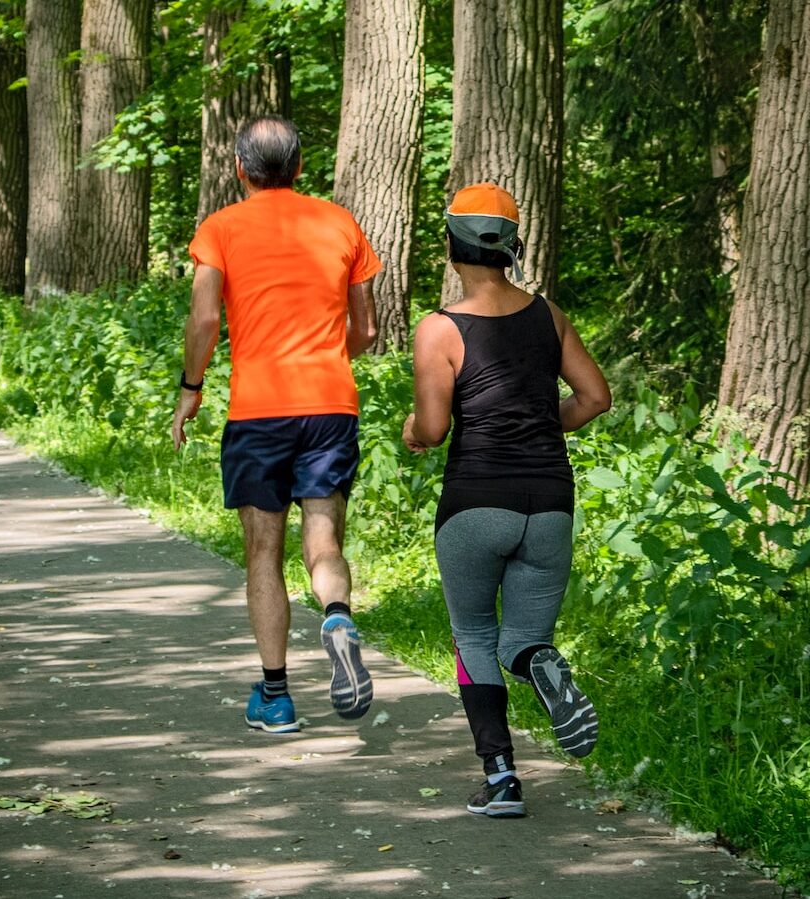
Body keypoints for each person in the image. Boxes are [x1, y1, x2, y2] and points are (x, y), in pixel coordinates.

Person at [403, 182, 612, 818]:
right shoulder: (548, 316)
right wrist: (542, 424)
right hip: (549, 502)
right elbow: (595, 398)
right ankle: (540, 661)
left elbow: (434, 430)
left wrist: (411, 432)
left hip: (475, 502)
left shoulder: (439, 329)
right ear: (510, 246)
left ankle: (500, 780)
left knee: (473, 635)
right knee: (521, 638)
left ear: (451, 246)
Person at [172, 116, 380, 734]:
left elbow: (206, 320)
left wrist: (191, 387)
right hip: (329, 406)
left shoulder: (220, 229)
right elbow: (365, 330)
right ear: (298, 167)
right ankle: (338, 616)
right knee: (324, 537)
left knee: (264, 551)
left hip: (259, 411)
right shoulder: (339, 222)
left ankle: (277, 696)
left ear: (240, 168)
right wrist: (328, 362)